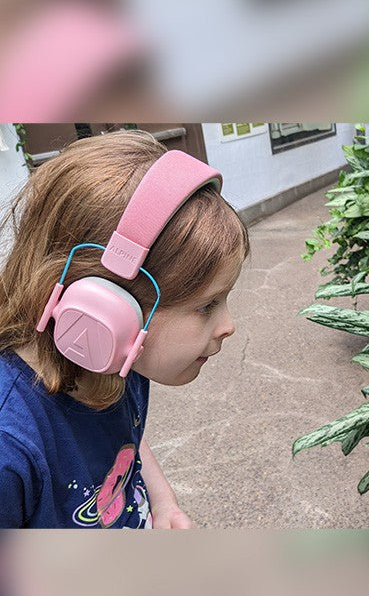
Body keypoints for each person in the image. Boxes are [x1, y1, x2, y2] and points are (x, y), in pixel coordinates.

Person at [0, 130, 249, 528]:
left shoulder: (119, 361)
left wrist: (164, 503)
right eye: (206, 306)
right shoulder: (10, 447)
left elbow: (126, 447)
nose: (228, 326)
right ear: (107, 308)